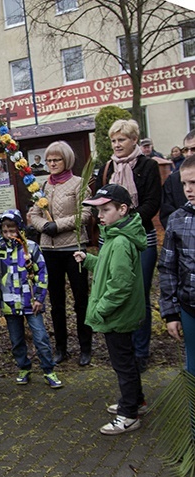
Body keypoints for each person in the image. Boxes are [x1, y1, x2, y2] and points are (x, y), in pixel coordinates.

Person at [74, 184, 147, 435]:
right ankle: (136, 400)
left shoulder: (120, 242)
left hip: (117, 315)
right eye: (98, 210)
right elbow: (111, 268)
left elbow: (120, 286)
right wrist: (90, 259)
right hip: (121, 314)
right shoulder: (115, 236)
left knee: (123, 364)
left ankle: (129, 414)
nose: (100, 216)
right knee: (127, 360)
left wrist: (100, 310)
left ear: (123, 209)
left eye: (106, 209)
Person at [95, 120, 162, 373]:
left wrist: (126, 223)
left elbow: (152, 202)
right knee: (114, 290)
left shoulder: (148, 165)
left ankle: (141, 350)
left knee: (139, 294)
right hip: (110, 238)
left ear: (135, 140)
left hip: (140, 237)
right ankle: (122, 347)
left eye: (121, 139)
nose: (117, 144)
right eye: (113, 140)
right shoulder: (107, 168)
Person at [28, 141, 93, 366]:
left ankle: (86, 347)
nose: (52, 164)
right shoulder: (42, 186)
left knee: (80, 300)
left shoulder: (79, 183)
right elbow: (34, 213)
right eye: (49, 160)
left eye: (57, 160)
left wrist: (58, 224)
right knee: (56, 302)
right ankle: (61, 348)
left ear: (67, 160)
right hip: (49, 249)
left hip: (73, 248)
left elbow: (85, 214)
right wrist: (42, 226)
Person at [0, 209, 63, 389]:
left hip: (30, 301)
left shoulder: (31, 247)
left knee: (40, 336)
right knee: (16, 338)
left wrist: (39, 297)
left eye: (12, 230)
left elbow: (42, 273)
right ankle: (24, 367)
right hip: (9, 302)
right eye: (5, 231)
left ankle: (48, 369)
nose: (9, 235)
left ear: (20, 229)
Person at [158, 156, 195, 377]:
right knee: (192, 368)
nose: (188, 189)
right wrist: (171, 313)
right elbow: (168, 268)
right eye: (184, 184)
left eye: (194, 183)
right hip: (189, 306)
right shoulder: (177, 219)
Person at [160, 130, 194, 228]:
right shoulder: (173, 180)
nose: (189, 154)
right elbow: (167, 215)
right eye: (186, 150)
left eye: (193, 149)